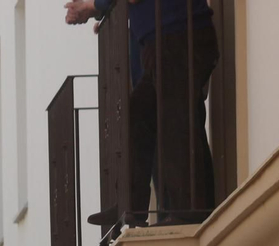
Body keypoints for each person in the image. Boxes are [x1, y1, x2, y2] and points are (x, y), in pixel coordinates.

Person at [65, 0, 219, 225]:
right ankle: (131, 207)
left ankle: (188, 210)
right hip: (164, 40)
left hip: (177, 36)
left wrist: (95, 5)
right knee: (139, 116)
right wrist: (101, 8)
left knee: (175, 122)